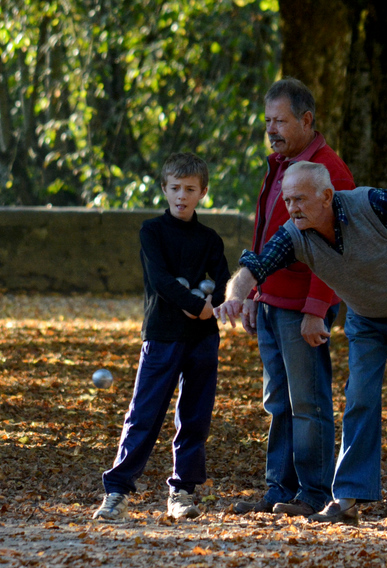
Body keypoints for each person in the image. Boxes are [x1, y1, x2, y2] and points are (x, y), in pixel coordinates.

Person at [216, 161, 387, 525]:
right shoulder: (294, 234)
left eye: (300, 198)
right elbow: (256, 265)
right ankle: (346, 500)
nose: (292, 207)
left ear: (326, 196)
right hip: (365, 318)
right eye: (287, 200)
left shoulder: (372, 204)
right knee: (360, 398)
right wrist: (235, 294)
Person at [233, 78, 355, 518]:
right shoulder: (279, 165)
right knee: (279, 401)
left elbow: (338, 248)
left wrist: (316, 309)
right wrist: (254, 294)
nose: (271, 129)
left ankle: (315, 493)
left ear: (306, 120)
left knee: (309, 402)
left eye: (280, 120)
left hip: (301, 308)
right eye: (267, 121)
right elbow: (265, 233)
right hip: (271, 302)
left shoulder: (328, 171)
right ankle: (278, 489)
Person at [92, 153, 231, 522]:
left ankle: (182, 491)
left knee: (195, 416)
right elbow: (161, 279)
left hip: (202, 338)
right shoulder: (151, 231)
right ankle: (117, 491)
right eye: (175, 189)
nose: (181, 196)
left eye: (189, 189)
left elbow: (223, 283)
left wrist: (209, 306)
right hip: (163, 335)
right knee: (144, 413)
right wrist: (192, 304)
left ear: (203, 192)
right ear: (164, 190)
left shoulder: (210, 239)